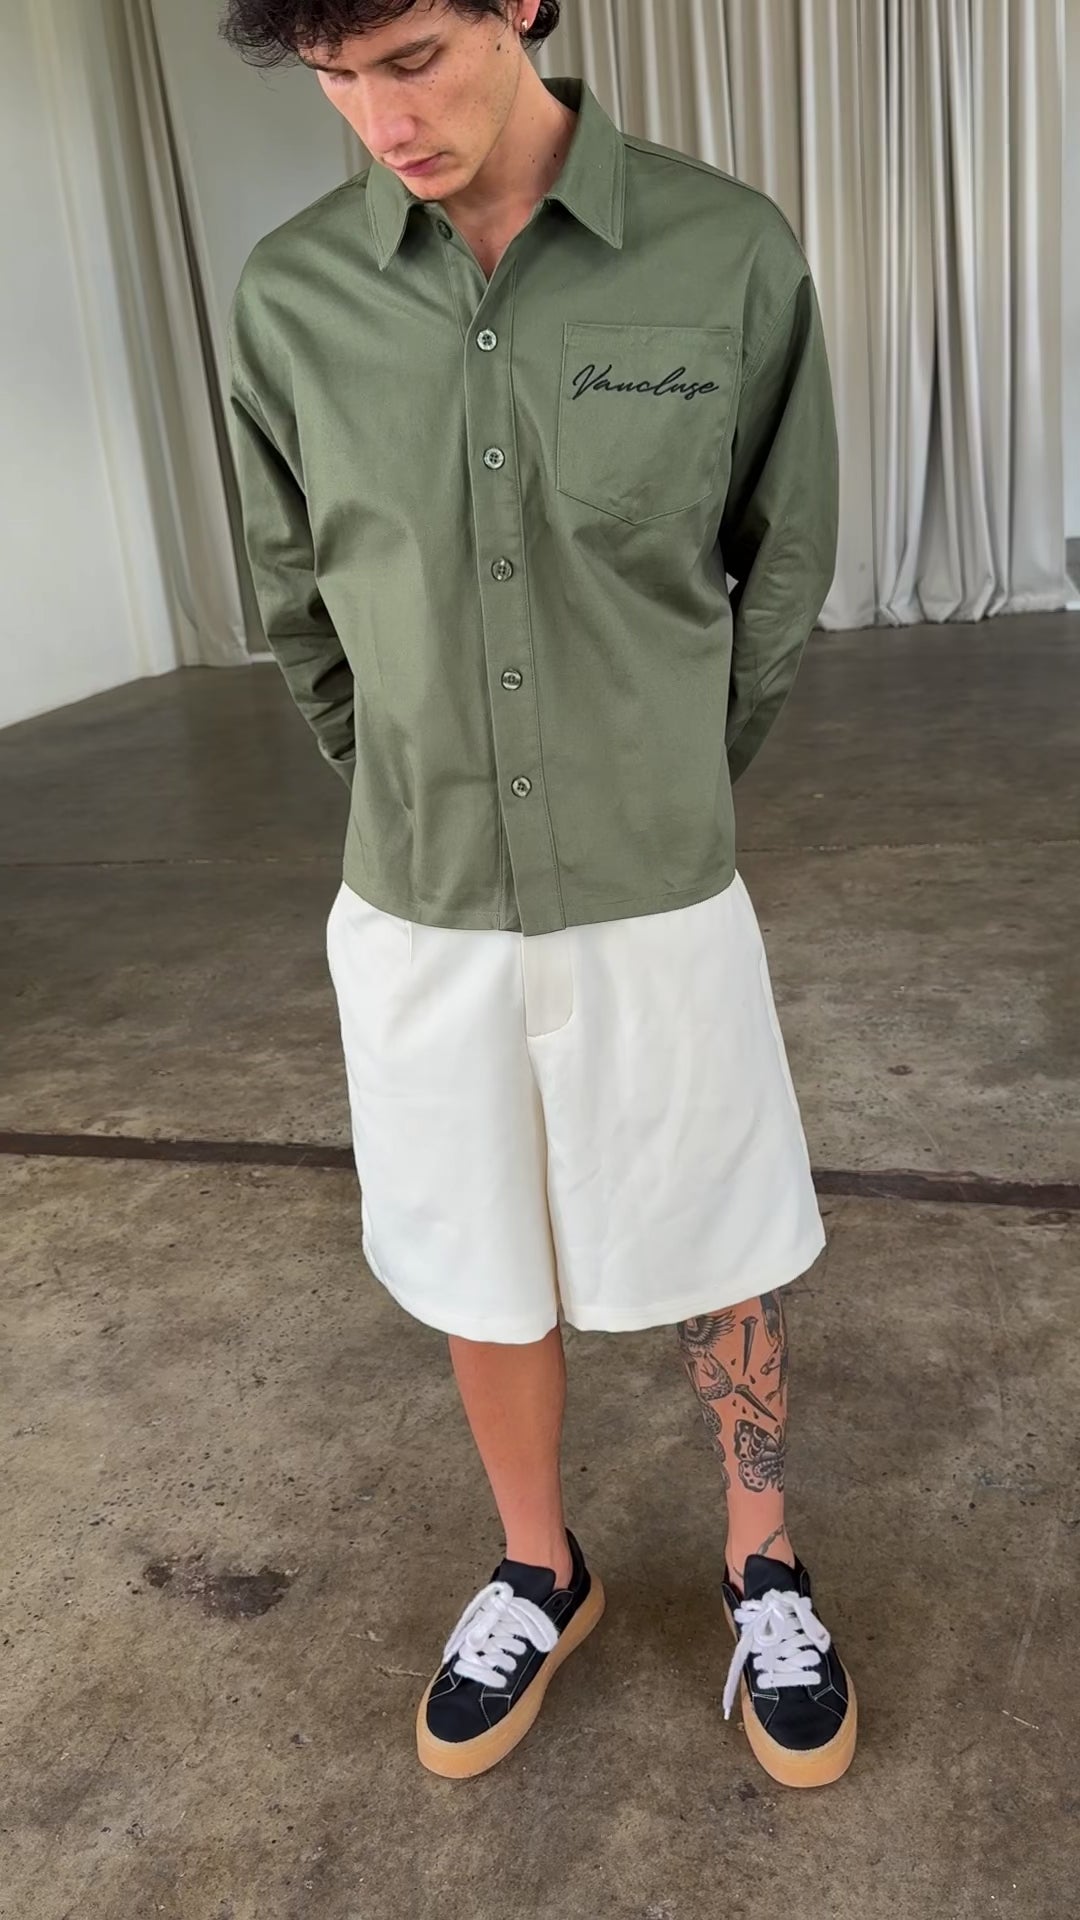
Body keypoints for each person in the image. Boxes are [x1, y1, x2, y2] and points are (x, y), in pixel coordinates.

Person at [223, 0, 855, 1789]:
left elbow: (779, 561)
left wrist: (667, 778)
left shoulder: (726, 252)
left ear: (517, 4)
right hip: (420, 897)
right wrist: (412, 788)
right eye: (334, 76)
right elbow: (297, 600)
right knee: (478, 1248)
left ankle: (763, 1563)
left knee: (723, 1231)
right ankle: (537, 1567)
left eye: (412, 53)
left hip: (656, 883)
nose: (379, 116)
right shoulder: (291, 300)